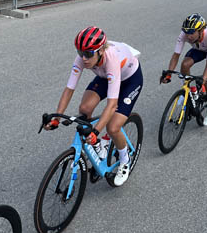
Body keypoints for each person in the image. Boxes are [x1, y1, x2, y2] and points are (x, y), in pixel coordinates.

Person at [48, 26, 143, 186]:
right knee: (85, 109)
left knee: (113, 127)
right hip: (105, 77)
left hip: (129, 80)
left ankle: (124, 160)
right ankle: (100, 145)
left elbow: (112, 104)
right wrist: (57, 116)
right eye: (80, 53)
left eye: (88, 54)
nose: (83, 58)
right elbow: (69, 89)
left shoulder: (111, 60)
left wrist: (96, 130)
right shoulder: (83, 58)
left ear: (100, 51)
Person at [162, 14, 207, 125]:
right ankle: (189, 91)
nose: (189, 36)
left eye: (192, 33)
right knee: (185, 65)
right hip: (200, 48)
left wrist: (204, 80)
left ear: (201, 30)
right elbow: (176, 55)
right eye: (187, 33)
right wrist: (169, 73)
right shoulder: (184, 34)